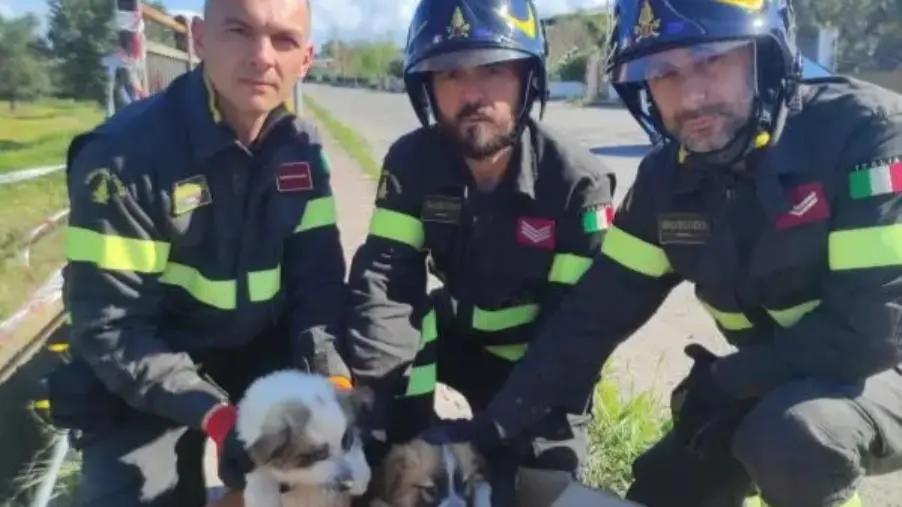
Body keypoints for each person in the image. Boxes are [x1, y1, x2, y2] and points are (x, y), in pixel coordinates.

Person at [421, 0, 902, 506]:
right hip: (775, 377)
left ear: (766, 55)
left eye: (711, 61)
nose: (690, 96)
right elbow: (587, 323)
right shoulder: (666, 184)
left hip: (877, 371)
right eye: (664, 73)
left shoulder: (864, 134)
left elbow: (869, 334)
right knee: (660, 491)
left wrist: (725, 380)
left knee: (792, 436)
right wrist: (490, 430)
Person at [49, 0, 349, 505]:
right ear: (199, 38)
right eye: (239, 30)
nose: (261, 56)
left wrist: (331, 380)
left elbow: (315, 285)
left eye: (283, 40)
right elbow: (112, 326)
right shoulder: (123, 158)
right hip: (149, 367)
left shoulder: (303, 151)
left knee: (324, 483)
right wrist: (218, 416)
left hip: (259, 353)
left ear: (306, 58)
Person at [344, 0, 617, 502]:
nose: (472, 93)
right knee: (381, 463)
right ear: (425, 87)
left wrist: (491, 431)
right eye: (449, 74)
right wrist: (376, 418)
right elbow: (384, 285)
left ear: (526, 78)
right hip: (449, 340)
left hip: (534, 363)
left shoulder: (577, 184)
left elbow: (571, 338)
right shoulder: (412, 161)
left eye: (493, 69)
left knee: (539, 486)